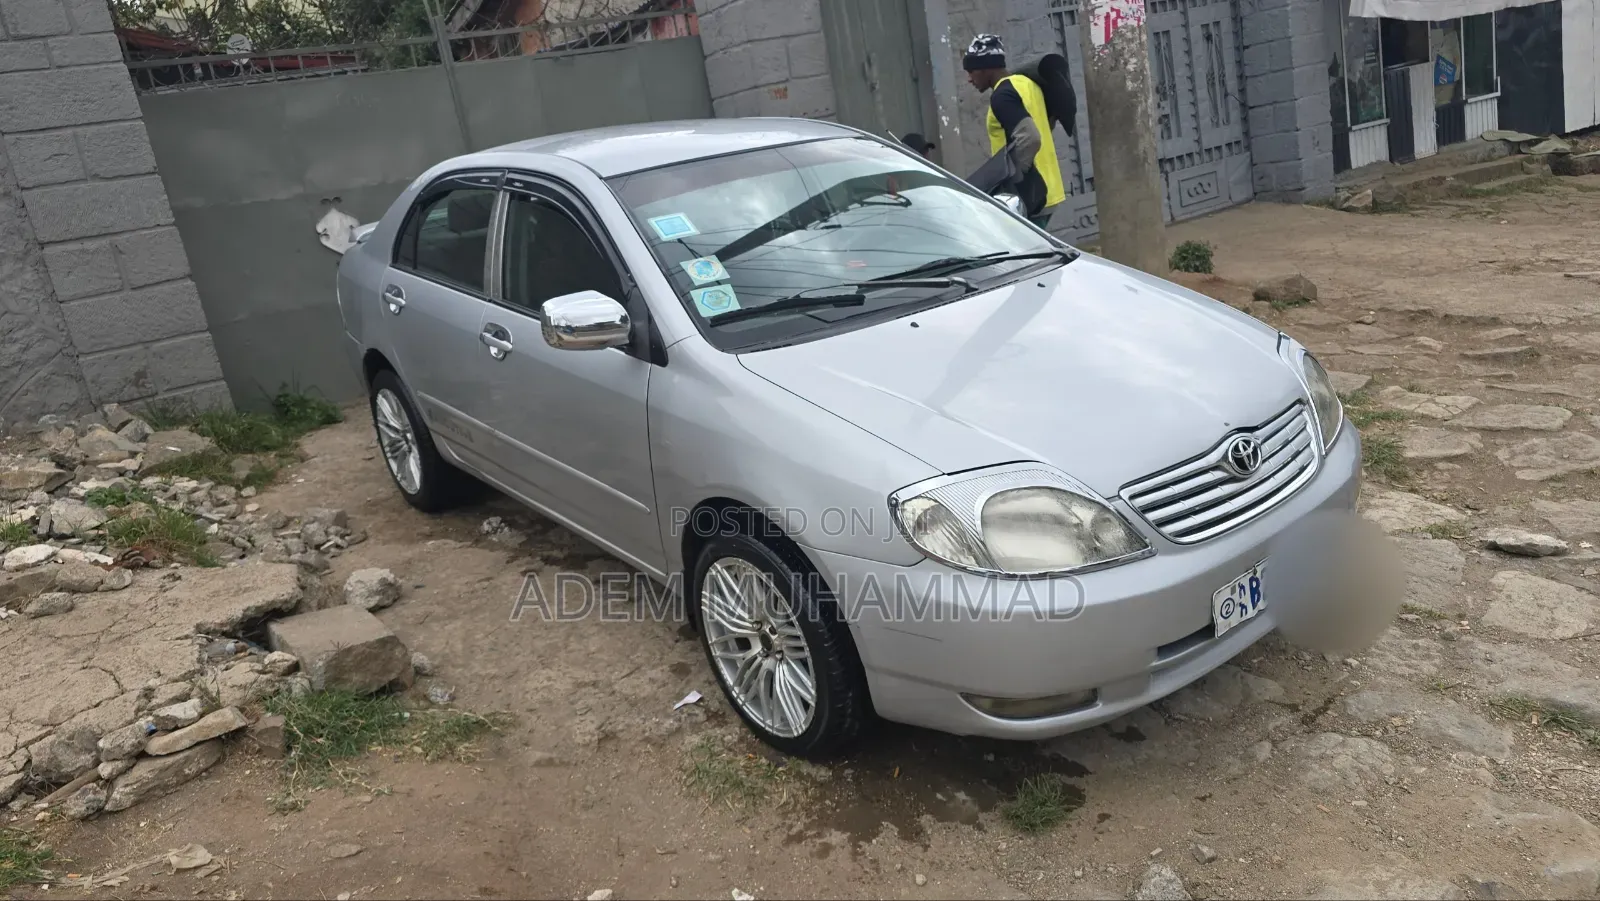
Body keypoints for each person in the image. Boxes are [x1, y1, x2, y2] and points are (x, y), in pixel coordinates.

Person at [963, 33, 1065, 229]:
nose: (969, 78)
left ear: (986, 68)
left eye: (971, 70)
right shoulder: (1027, 83)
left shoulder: (1002, 96)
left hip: (1029, 195)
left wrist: (1012, 181)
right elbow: (1046, 124)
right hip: (1049, 188)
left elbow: (1031, 138)